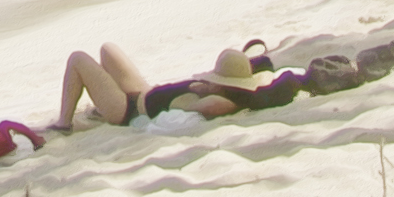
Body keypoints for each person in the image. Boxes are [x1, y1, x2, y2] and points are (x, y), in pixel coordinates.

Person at [55, 41, 274, 130]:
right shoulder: (211, 90)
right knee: (107, 49)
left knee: (77, 59)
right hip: (143, 91)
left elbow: (217, 107)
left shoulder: (216, 101)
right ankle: (98, 104)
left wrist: (209, 91)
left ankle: (63, 124)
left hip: (126, 110)